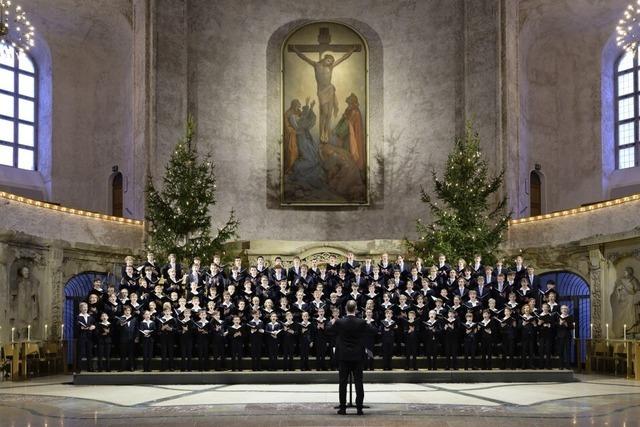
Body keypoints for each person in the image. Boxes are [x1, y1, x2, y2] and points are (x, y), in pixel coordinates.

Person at [327, 299, 367, 416]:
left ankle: (343, 408)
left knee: (342, 383)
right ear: (355, 309)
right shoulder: (362, 322)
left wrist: (333, 322)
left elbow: (329, 331)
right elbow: (373, 331)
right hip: (358, 357)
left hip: (343, 357)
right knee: (359, 383)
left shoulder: (340, 322)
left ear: (345, 309)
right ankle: (359, 408)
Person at [76, 302, 95, 373]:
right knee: (80, 353)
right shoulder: (78, 317)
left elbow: (93, 324)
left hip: (89, 337)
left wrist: (93, 327)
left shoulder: (90, 317)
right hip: (82, 336)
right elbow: (76, 327)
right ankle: (79, 368)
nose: (85, 308)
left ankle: (90, 367)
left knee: (89, 353)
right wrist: (81, 328)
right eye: (83, 307)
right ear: (80, 308)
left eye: (86, 307)